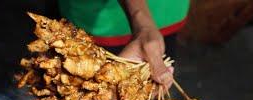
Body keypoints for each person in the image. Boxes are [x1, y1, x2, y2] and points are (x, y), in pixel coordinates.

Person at [58, 0, 190, 89]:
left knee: (149, 91)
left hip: (167, 10)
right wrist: (142, 22)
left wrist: (144, 26)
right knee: (99, 89)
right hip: (104, 21)